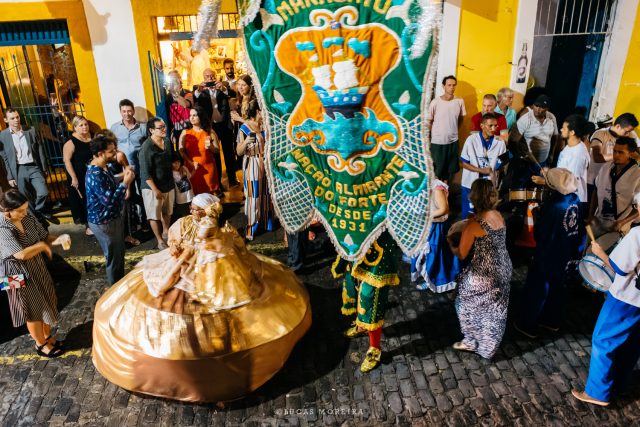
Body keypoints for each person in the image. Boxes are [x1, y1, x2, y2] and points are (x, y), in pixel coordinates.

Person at [91, 194, 311, 402]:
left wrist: (189, 249)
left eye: (196, 209)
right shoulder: (188, 222)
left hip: (209, 271)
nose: (191, 211)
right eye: (192, 208)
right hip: (186, 264)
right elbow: (178, 237)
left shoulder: (215, 227)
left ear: (206, 211)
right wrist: (177, 246)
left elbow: (208, 244)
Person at [572, 195, 640, 407]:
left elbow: (619, 268)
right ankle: (618, 384)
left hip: (626, 297)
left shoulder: (637, 234)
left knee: (603, 340)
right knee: (631, 343)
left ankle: (598, 392)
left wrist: (600, 252)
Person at [0, 189, 70, 357]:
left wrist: (59, 239)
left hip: (36, 266)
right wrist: (41, 246)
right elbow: (20, 254)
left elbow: (44, 236)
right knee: (31, 311)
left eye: (26, 209)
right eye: (20, 211)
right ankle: (40, 344)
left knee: (46, 301)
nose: (25, 213)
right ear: (7, 211)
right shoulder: (2, 227)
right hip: (12, 274)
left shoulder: (27, 217)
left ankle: (47, 337)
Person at [515, 168, 584, 338]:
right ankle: (552, 321)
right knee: (558, 287)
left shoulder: (553, 205)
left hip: (549, 254)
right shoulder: (576, 200)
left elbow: (541, 234)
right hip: (567, 252)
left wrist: (536, 215)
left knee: (538, 289)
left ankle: (528, 325)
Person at [450, 179, 512, 358]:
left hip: (484, 273)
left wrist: (450, 244)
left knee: (462, 300)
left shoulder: (473, 225)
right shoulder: (498, 215)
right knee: (495, 308)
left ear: (474, 197)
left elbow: (461, 254)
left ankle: (471, 340)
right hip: (504, 267)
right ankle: (489, 346)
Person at [333, 232, 400, 372]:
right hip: (357, 247)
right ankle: (361, 326)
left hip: (378, 254)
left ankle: (375, 349)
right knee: (354, 287)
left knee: (371, 301)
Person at [86, 133, 136, 285]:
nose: (115, 153)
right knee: (114, 259)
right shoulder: (95, 174)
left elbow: (109, 182)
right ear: (101, 153)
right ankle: (115, 289)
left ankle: (120, 285)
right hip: (104, 222)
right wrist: (125, 183)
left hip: (112, 218)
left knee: (119, 255)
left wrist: (122, 175)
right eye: (111, 151)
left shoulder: (102, 167)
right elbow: (109, 201)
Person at [0, 108, 51, 221]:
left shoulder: (30, 130)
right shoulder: (3, 136)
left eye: (17, 117)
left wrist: (44, 167)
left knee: (43, 192)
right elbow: (5, 158)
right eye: (12, 118)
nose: (16, 120)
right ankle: (35, 218)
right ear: (6, 120)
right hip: (18, 169)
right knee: (25, 196)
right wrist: (10, 176)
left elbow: (40, 149)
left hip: (33, 166)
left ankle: (39, 209)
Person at [533, 114, 591, 214]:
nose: (561, 130)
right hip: (563, 197)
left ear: (572, 132)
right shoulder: (571, 146)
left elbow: (570, 184)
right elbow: (563, 172)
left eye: (564, 128)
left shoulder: (577, 155)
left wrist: (545, 181)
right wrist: (549, 172)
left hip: (571, 201)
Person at [411, 178, 460, 293]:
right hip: (425, 226)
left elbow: (444, 209)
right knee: (425, 254)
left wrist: (424, 215)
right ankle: (428, 276)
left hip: (434, 227)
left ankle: (433, 280)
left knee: (433, 254)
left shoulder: (436, 187)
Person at [588, 137, 640, 238]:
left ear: (631, 154)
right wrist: (591, 215)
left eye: (621, 152)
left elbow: (639, 208)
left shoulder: (637, 175)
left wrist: (622, 222)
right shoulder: (606, 167)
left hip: (618, 228)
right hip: (598, 222)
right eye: (614, 151)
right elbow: (596, 190)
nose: (616, 155)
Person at [236, 102, 273, 240]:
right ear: (258, 111)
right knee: (254, 196)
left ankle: (266, 221)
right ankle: (252, 226)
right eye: (263, 110)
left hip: (265, 163)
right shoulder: (244, 128)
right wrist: (246, 142)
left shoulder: (265, 125)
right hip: (252, 163)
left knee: (266, 194)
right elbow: (239, 151)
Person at [460, 113, 507, 218]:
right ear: (482, 126)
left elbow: (501, 165)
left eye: (495, 126)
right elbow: (464, 164)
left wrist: (496, 182)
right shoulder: (471, 140)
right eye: (490, 126)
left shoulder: (500, 143)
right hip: (470, 185)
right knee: (469, 217)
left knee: (486, 216)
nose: (493, 128)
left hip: (489, 187)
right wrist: (482, 171)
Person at [193, 69, 233, 189]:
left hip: (224, 125)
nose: (210, 78)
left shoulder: (223, 86)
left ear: (216, 76)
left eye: (212, 76)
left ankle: (232, 179)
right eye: (207, 76)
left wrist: (223, 88)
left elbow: (232, 94)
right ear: (203, 78)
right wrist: (199, 90)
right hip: (211, 127)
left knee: (229, 153)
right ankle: (218, 183)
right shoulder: (200, 90)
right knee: (215, 155)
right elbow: (195, 100)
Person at [140, 117, 175, 249]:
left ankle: (166, 232)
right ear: (151, 130)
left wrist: (177, 163)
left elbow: (173, 157)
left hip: (167, 183)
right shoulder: (147, 147)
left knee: (167, 211)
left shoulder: (167, 141)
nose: (164, 129)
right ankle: (159, 240)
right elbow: (145, 172)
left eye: (164, 126)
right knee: (154, 214)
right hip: (152, 187)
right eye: (160, 128)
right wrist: (155, 190)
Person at [587, 113, 639, 199]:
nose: (628, 134)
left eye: (630, 132)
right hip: (593, 180)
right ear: (618, 126)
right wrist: (621, 154)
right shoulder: (600, 134)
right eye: (626, 132)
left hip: (611, 183)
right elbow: (597, 158)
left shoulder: (629, 134)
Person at [425, 75, 466, 182]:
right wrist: (436, 133)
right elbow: (428, 121)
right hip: (438, 143)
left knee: (450, 171)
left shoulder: (459, 101)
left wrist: (453, 130)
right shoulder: (435, 102)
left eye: (454, 85)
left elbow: (461, 118)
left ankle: (446, 190)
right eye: (449, 85)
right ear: (444, 86)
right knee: (437, 170)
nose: (452, 87)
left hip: (453, 142)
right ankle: (436, 191)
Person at [178, 106, 221, 196]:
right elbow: (181, 151)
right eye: (190, 115)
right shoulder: (185, 132)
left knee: (209, 197)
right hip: (192, 169)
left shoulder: (210, 131)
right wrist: (190, 163)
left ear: (201, 116)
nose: (192, 118)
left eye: (195, 115)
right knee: (194, 197)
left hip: (208, 169)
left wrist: (211, 147)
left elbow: (217, 150)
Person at [62, 116, 93, 234]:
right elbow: (67, 161)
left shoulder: (92, 137)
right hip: (79, 175)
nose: (84, 127)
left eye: (86, 124)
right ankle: (88, 225)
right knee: (83, 200)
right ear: (75, 127)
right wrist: (74, 178)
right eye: (81, 125)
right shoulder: (70, 142)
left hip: (92, 174)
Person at [513, 94, 559, 165]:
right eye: (536, 106)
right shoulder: (525, 118)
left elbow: (555, 136)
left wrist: (551, 154)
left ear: (547, 108)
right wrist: (520, 156)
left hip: (543, 161)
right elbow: (513, 140)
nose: (538, 109)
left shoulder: (552, 117)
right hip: (526, 161)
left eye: (542, 107)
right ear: (533, 105)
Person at [164, 70, 193, 144]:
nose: (173, 81)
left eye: (175, 78)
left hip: (190, 129)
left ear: (180, 79)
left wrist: (174, 92)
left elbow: (185, 104)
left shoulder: (187, 93)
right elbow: (167, 116)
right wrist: (171, 132)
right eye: (171, 79)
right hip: (177, 132)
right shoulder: (167, 97)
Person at [171, 153, 194, 222]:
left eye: (178, 162)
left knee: (193, 215)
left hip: (191, 197)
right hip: (181, 201)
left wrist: (194, 169)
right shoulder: (171, 173)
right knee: (185, 219)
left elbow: (189, 177)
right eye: (174, 163)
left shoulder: (184, 168)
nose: (177, 164)